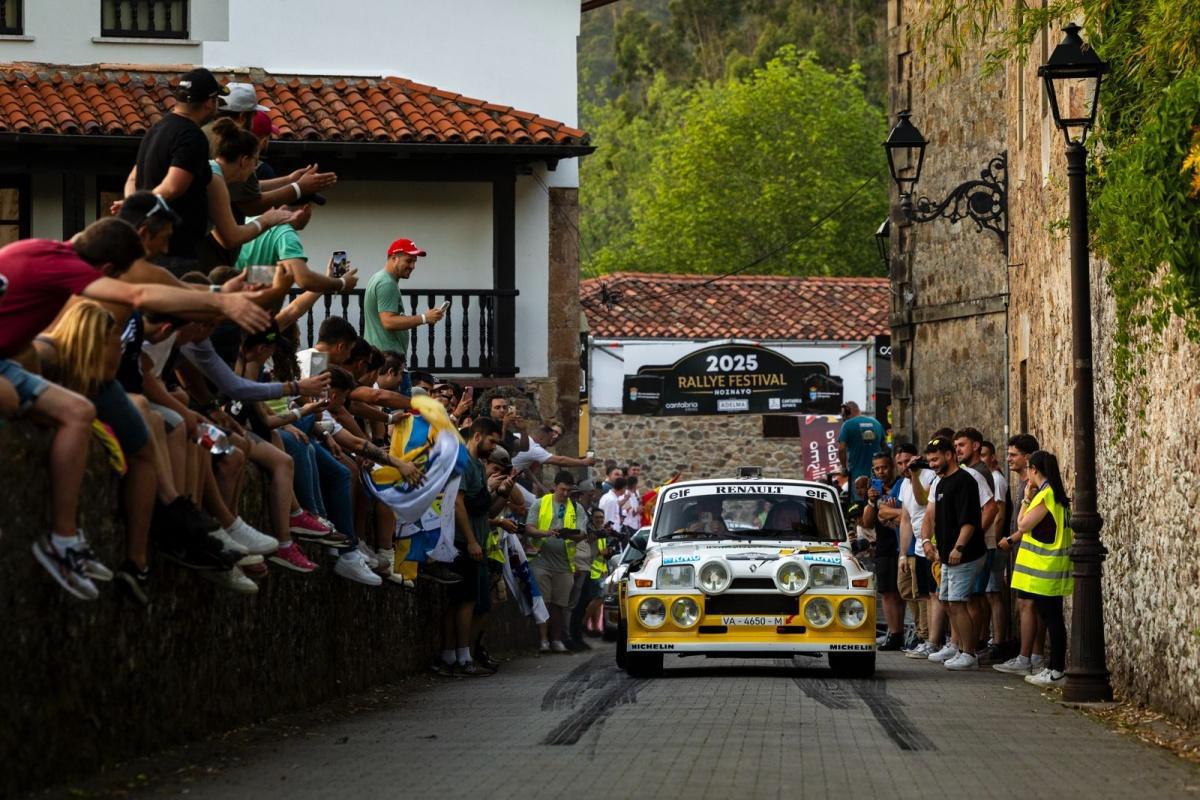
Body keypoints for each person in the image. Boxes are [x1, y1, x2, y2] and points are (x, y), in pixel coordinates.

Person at [0, 218, 269, 598]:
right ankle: (191, 529)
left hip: (17, 361)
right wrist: (220, 300)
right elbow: (141, 299)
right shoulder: (80, 279)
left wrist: (217, 293)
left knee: (86, 413)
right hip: (59, 373)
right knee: (174, 426)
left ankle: (70, 541)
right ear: (111, 270)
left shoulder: (41, 248)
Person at [126, 68, 228, 273]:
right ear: (209, 102)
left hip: (153, 249)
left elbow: (133, 178)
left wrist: (133, 203)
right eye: (217, 100)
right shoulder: (191, 136)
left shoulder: (156, 129)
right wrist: (137, 209)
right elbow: (173, 187)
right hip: (176, 252)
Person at [438, 416, 503, 676]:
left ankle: (452, 657)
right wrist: (472, 540)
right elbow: (456, 503)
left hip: (473, 541)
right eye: (491, 440)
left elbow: (480, 508)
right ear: (477, 436)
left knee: (463, 601)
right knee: (463, 601)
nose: (494, 447)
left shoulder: (476, 465)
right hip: (462, 542)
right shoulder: (462, 463)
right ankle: (461, 658)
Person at [1006, 450, 1073, 688]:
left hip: (1045, 568)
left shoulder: (1046, 495)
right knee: (1052, 618)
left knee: (1052, 619)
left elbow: (1022, 524)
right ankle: (1055, 669)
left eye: (1029, 470)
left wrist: (1025, 498)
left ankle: (1056, 670)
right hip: (1052, 567)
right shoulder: (1056, 495)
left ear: (1034, 469)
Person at [920, 435, 986, 671]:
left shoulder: (965, 481)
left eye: (936, 459)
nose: (933, 464)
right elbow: (935, 518)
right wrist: (933, 545)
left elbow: (969, 520)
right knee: (947, 602)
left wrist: (959, 547)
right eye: (930, 461)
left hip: (965, 554)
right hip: (947, 555)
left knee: (958, 603)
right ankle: (959, 648)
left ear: (949, 455)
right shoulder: (941, 483)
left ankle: (970, 653)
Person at [994, 433, 1048, 675]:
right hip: (1021, 553)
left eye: (1013, 455)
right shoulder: (1023, 484)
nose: (1008, 459)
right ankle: (1034, 656)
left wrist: (1010, 540)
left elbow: (1026, 525)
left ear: (1028, 458)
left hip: (1031, 552)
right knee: (1029, 606)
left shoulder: (1034, 487)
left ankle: (1027, 657)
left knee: (1028, 605)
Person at [525, 470, 588, 654]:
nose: (566, 494)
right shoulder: (540, 503)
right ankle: (543, 640)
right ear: (554, 486)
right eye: (562, 490)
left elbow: (582, 532)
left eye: (569, 490)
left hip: (564, 562)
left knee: (560, 604)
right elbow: (529, 527)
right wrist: (545, 533)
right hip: (540, 559)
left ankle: (556, 639)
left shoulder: (577, 508)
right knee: (543, 602)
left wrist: (571, 534)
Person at [362, 238, 445, 361]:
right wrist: (424, 318)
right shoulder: (386, 283)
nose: (412, 266)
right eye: (409, 261)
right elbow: (388, 322)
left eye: (414, 262)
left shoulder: (380, 278)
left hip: (382, 357)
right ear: (394, 258)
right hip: (388, 360)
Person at [896, 443, 936, 657]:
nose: (905, 466)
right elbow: (905, 520)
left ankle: (931, 638)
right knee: (921, 594)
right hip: (918, 545)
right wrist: (903, 553)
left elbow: (922, 500)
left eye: (908, 462)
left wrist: (915, 474)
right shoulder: (903, 484)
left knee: (933, 596)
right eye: (901, 463)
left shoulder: (929, 476)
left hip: (931, 542)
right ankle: (925, 638)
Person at [862, 450, 904, 650]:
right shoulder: (874, 491)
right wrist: (871, 501)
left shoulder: (902, 486)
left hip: (902, 543)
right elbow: (867, 522)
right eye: (877, 468)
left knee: (904, 591)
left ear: (892, 467)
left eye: (884, 467)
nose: (881, 472)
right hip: (884, 546)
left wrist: (888, 513)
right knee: (887, 591)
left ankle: (903, 632)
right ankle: (894, 633)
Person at [838, 401, 885, 498]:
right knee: (876, 501)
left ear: (848, 412)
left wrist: (843, 468)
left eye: (844, 415)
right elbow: (884, 447)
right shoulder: (876, 423)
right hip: (877, 474)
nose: (843, 418)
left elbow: (842, 449)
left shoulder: (847, 425)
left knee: (858, 506)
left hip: (857, 476)